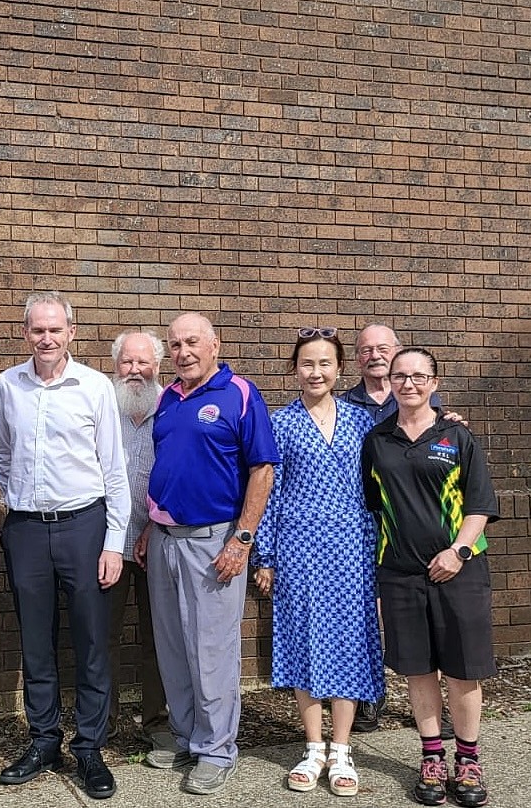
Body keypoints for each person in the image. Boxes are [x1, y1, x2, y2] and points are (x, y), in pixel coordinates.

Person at [135, 312, 278, 796]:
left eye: (192, 342)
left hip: (215, 541)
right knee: (172, 645)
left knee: (211, 649)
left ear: (215, 344)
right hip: (164, 539)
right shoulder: (169, 398)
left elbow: (262, 469)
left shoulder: (239, 392)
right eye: (175, 345)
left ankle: (217, 751)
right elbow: (166, 464)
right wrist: (150, 524)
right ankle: (185, 736)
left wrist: (243, 538)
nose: (184, 352)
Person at [0, 292, 130, 800]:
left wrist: (112, 543)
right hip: (27, 529)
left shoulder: (95, 387)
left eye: (55, 329)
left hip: (84, 526)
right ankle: (43, 739)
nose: (46, 338)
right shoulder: (8, 384)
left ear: (71, 332)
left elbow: (114, 470)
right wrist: (15, 501)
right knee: (36, 641)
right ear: (24, 333)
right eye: (37, 330)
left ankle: (89, 747)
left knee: (92, 641)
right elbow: (4, 453)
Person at [361, 348, 498, 808]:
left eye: (419, 376)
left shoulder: (457, 435)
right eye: (401, 376)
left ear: (434, 382)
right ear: (391, 382)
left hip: (459, 572)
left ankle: (469, 758)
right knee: (419, 670)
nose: (409, 383)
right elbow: (374, 504)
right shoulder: (377, 439)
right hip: (399, 574)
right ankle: (432, 757)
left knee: (463, 672)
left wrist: (458, 551)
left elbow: (479, 505)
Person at [253, 328, 384, 797]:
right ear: (295, 369)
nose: (316, 372)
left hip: (352, 547)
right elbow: (269, 493)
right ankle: (312, 747)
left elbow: (383, 479)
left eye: (325, 363)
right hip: (299, 548)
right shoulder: (281, 422)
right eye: (307, 364)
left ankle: (342, 750)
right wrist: (264, 555)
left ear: (338, 368)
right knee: (305, 641)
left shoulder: (361, 422)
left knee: (348, 642)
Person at [344, 323, 443, 735]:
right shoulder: (344, 403)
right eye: (365, 350)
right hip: (362, 520)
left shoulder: (426, 401)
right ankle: (370, 697)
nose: (374, 355)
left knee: (427, 615)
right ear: (357, 357)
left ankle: (441, 707)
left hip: (409, 525)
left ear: (397, 351)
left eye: (382, 348)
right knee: (365, 612)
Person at [106, 329, 171, 749]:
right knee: (102, 634)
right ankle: (102, 720)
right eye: (127, 362)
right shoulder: (100, 406)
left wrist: (154, 522)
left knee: (160, 635)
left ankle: (158, 721)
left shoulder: (172, 406)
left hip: (158, 539)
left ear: (157, 366)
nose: (135, 370)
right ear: (115, 365)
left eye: (143, 362)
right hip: (107, 541)